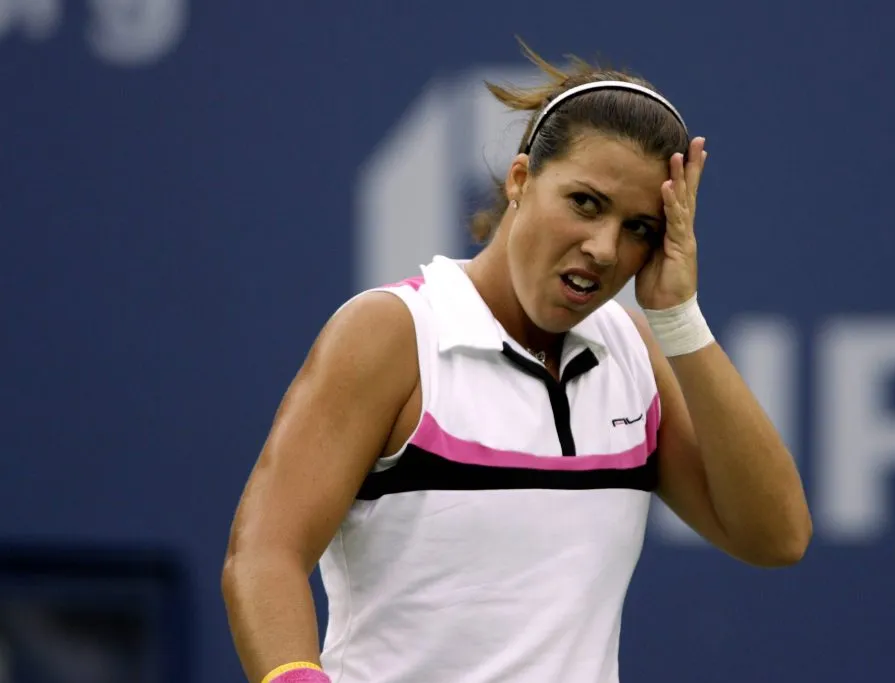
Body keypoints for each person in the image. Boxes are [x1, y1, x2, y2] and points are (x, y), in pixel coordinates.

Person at [221, 39, 812, 683]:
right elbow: (264, 556)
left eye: (640, 227)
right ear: (521, 178)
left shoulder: (633, 352)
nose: (604, 248)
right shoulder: (391, 334)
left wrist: (677, 318)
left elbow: (776, 535)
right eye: (585, 203)